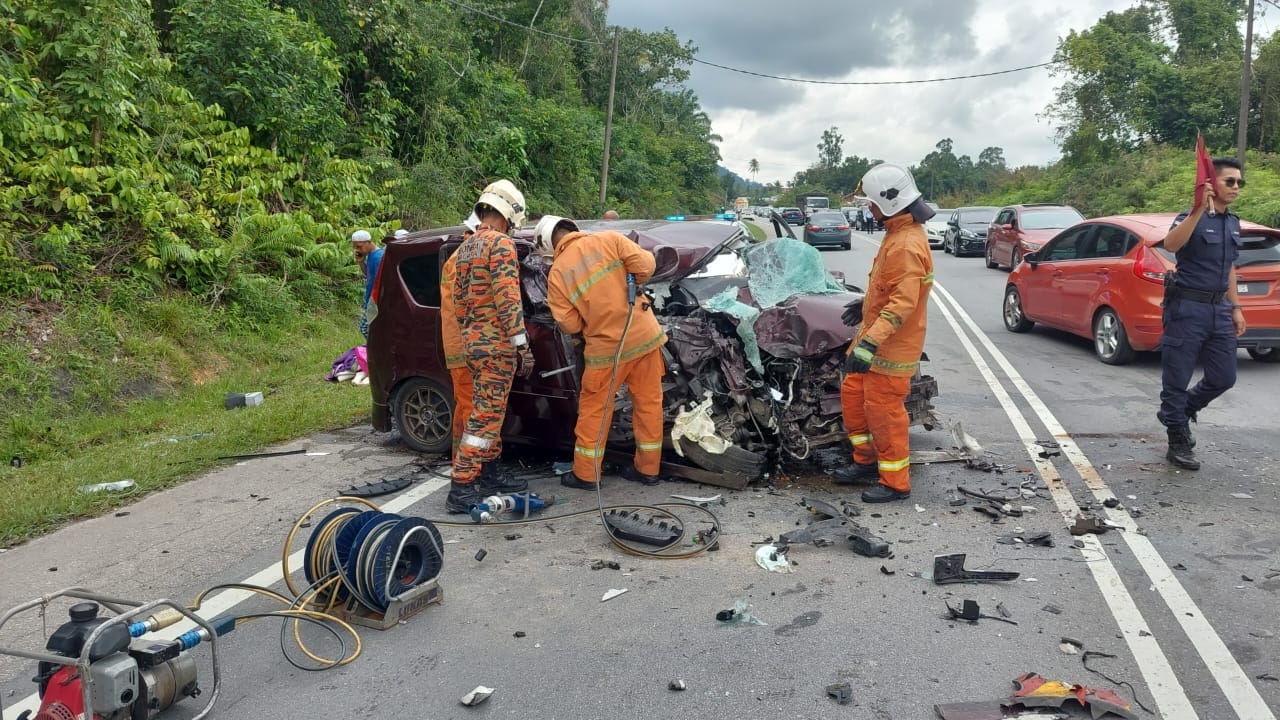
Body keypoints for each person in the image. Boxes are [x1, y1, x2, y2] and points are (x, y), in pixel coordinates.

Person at [535, 215, 666, 489]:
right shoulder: (610, 239)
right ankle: (648, 470)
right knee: (649, 404)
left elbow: (569, 324)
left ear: (549, 246)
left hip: (606, 351)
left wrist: (592, 321)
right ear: (572, 228)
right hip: (644, 337)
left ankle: (586, 474)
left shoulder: (557, 273)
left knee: (595, 410)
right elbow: (646, 266)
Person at [834, 163, 934, 503]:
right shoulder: (897, 234)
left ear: (889, 202)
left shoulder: (906, 244)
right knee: (853, 398)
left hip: (889, 349)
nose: (869, 208)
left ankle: (895, 482)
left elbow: (902, 304)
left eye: (872, 202)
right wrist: (866, 302)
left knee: (884, 413)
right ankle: (866, 461)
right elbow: (891, 290)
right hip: (873, 340)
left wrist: (870, 344)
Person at [446, 180, 535, 513]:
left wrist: (472, 333)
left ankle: (492, 469)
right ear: (507, 213)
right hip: (496, 346)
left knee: (490, 412)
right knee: (485, 418)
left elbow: (457, 301)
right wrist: (521, 345)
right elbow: (508, 298)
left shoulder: (466, 248)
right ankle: (463, 485)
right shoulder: (499, 244)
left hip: (473, 344)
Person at [1157, 157, 1247, 470]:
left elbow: (1230, 269)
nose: (1236, 187)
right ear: (1212, 184)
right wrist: (1197, 209)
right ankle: (1177, 440)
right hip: (1187, 309)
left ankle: (1180, 411)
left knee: (1224, 377)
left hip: (1219, 309)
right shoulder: (1190, 217)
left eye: (1239, 182)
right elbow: (1171, 244)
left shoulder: (1233, 223)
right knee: (1176, 379)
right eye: (1229, 181)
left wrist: (1236, 308)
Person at [351, 230, 383, 340]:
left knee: (366, 328)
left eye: (359, 247)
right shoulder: (370, 255)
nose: (358, 250)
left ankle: (374, 350)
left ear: (368, 242)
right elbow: (369, 275)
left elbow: (382, 282)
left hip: (375, 300)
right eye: (356, 247)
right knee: (369, 329)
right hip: (370, 298)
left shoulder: (379, 257)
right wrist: (361, 262)